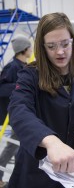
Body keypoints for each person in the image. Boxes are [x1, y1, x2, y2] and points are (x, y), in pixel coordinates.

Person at [7, 12, 74, 188]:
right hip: (35, 174)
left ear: (73, 42)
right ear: (42, 48)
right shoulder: (30, 76)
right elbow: (19, 110)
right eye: (51, 46)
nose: (60, 52)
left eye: (65, 44)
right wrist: (51, 141)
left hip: (73, 172)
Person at [0, 35, 32, 187]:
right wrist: (20, 85)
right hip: (15, 113)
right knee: (13, 146)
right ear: (24, 50)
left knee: (19, 146)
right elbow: (2, 88)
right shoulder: (12, 67)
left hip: (24, 112)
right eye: (29, 47)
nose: (31, 49)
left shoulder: (23, 65)